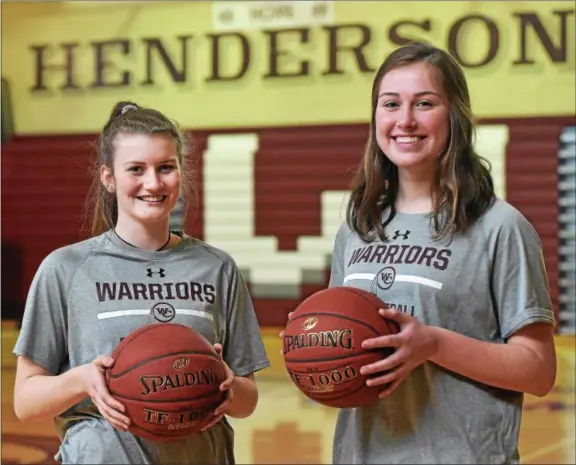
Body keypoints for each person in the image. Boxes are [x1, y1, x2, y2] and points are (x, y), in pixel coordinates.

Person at [284, 42, 557, 464]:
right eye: (390, 104)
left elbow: (538, 370)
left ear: (455, 115)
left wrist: (432, 344)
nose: (405, 120)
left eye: (424, 103)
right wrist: (314, 346)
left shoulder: (499, 226)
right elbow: (350, 347)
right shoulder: (358, 228)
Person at [13, 101, 270, 464]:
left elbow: (248, 400)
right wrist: (83, 379)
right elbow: (25, 402)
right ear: (108, 177)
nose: (153, 183)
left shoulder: (217, 268)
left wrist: (225, 384)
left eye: (166, 167)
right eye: (136, 169)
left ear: (181, 172)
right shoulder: (66, 269)